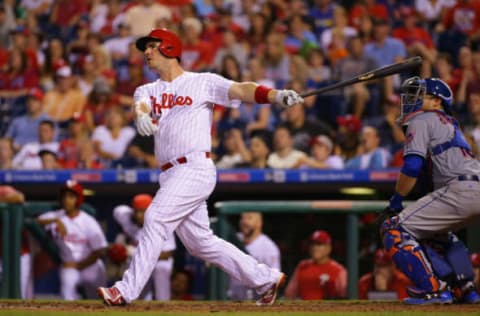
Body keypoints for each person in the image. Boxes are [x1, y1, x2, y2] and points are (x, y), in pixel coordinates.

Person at [97, 28, 301, 306]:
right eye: (145, 48)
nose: (146, 52)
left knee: (155, 218)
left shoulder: (202, 81)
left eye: (152, 46)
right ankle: (264, 279)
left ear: (169, 48)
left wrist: (275, 95)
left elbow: (241, 89)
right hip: (170, 174)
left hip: (194, 167)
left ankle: (125, 291)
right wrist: (141, 115)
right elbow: (141, 106)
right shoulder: (146, 89)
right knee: (200, 243)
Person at [379, 76, 480, 304]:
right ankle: (465, 289)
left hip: (461, 189)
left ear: (437, 102)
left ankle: (433, 290)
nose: (411, 100)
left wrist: (396, 200)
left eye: (420, 95)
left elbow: (412, 166)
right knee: (437, 234)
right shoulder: (451, 123)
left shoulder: (424, 118)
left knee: (394, 228)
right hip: (472, 185)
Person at [37, 181, 107, 300]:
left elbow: (99, 251)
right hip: (69, 267)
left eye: (71, 196)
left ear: (78, 199)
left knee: (99, 299)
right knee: (67, 294)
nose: (66, 200)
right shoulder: (56, 216)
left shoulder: (88, 221)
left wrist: (79, 265)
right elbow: (37, 220)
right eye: (64, 196)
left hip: (90, 265)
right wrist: (56, 221)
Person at [113, 194, 176, 301]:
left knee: (162, 267)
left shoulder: (162, 224)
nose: (139, 215)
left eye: (143, 211)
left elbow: (167, 254)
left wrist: (135, 252)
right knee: (138, 297)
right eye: (137, 211)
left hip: (158, 262)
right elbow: (118, 210)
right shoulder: (125, 216)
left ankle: (163, 302)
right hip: (138, 262)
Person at [228, 212, 281, 300]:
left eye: (249, 218)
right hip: (231, 299)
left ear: (259, 223)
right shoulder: (234, 239)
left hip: (254, 301)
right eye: (242, 218)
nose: (244, 222)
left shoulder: (269, 247)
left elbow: (274, 281)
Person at [284, 230, 347, 300]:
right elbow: (289, 294)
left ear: (328, 248)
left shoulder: (338, 270)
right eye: (312, 244)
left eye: (319, 244)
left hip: (328, 309)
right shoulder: (302, 266)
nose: (314, 248)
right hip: (304, 309)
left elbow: (346, 296)